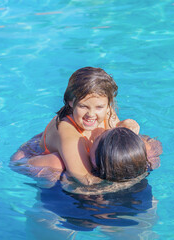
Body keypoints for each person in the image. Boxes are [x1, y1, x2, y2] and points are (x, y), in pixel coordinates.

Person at [12, 67, 141, 185]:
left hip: (59, 145)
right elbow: (85, 179)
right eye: (83, 106)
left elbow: (120, 138)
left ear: (108, 105)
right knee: (57, 163)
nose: (91, 114)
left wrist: (126, 125)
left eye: (99, 107)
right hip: (28, 160)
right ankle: (46, 204)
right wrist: (128, 183)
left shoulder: (107, 112)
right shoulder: (68, 130)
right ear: (71, 102)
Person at [11, 127, 162, 191]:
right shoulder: (144, 154)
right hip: (138, 198)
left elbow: (16, 164)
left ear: (95, 160)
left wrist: (34, 144)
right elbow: (157, 145)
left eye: (96, 139)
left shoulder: (58, 163)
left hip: (72, 207)